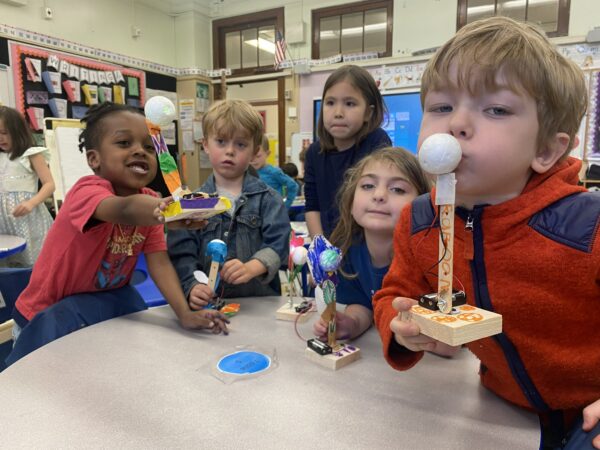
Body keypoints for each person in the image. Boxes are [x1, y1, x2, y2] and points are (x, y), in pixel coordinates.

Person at [371, 17, 600, 450]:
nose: (456, 124)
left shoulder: (588, 227)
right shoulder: (419, 221)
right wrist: (399, 325)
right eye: (440, 107)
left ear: (547, 149)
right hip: (499, 410)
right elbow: (392, 295)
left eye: (495, 109)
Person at [12, 102, 229, 342]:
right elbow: (124, 209)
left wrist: (184, 314)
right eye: (124, 143)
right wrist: (166, 213)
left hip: (96, 313)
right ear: (94, 159)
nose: (140, 151)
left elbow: (160, 264)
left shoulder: (150, 203)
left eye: (148, 146)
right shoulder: (86, 192)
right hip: (44, 317)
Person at [168, 100, 290, 308]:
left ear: (254, 152)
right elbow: (182, 254)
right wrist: (192, 286)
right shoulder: (191, 204)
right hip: (210, 307)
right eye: (221, 141)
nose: (230, 151)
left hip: (260, 305)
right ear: (206, 144)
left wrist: (254, 266)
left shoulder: (268, 199)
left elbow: (278, 244)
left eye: (241, 144)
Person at [313, 147, 431, 341]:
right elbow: (364, 306)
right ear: (351, 201)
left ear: (423, 205)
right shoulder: (349, 250)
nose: (379, 195)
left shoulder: (429, 258)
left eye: (398, 189)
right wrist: (351, 323)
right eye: (368, 185)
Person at [304, 65, 391, 238]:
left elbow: (378, 202)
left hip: (367, 243)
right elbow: (312, 206)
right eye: (330, 103)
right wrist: (320, 246)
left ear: (368, 113)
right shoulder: (315, 152)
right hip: (330, 245)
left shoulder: (376, 142)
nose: (338, 113)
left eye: (350, 103)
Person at [0, 106, 54, 267]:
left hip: (28, 220)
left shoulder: (31, 154)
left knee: (32, 259)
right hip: (3, 220)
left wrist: (31, 203)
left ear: (17, 131)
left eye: (5, 133)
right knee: (7, 261)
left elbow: (50, 184)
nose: (1, 138)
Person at [250, 134, 298, 209]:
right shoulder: (246, 172)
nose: (253, 160)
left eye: (258, 156)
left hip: (273, 214)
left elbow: (293, 186)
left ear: (267, 154)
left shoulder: (274, 172)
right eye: (250, 155)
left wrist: (285, 206)